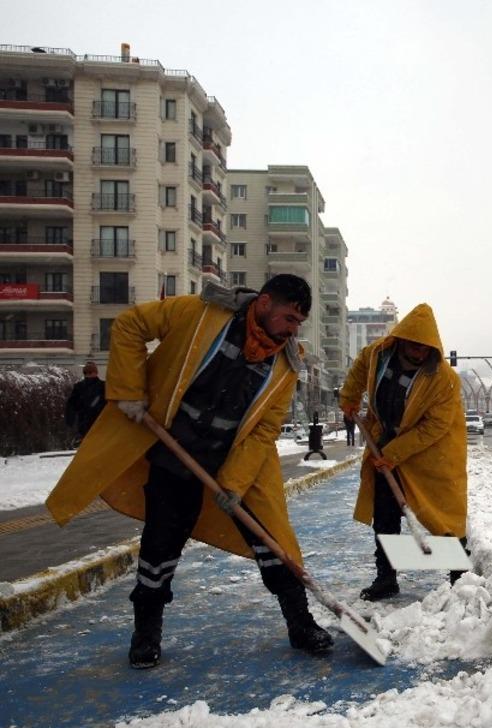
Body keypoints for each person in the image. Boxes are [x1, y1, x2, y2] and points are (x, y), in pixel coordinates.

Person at [46, 275, 332, 669]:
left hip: (239, 458)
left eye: (299, 323)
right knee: (160, 544)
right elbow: (131, 324)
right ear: (265, 303)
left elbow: (265, 429)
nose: (293, 330)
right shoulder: (200, 315)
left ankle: (300, 623)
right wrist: (129, 390)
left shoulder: (286, 362)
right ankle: (146, 633)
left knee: (275, 542)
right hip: (174, 451)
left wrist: (234, 483)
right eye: (289, 318)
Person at [339, 303, 468, 600]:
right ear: (401, 339)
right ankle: (386, 578)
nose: (419, 353)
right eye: (414, 345)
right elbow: (358, 371)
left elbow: (434, 426)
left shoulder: (444, 379)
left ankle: (460, 577)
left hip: (431, 452)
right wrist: (349, 396)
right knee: (385, 515)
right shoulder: (377, 355)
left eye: (425, 348)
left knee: (444, 514)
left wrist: (394, 453)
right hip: (385, 440)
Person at [63, 361, 105, 444]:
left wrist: (70, 422)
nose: (89, 374)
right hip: (100, 421)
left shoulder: (79, 386)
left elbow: (72, 404)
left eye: (89, 372)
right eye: (88, 372)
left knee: (87, 445)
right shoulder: (103, 386)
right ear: (96, 372)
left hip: (84, 423)